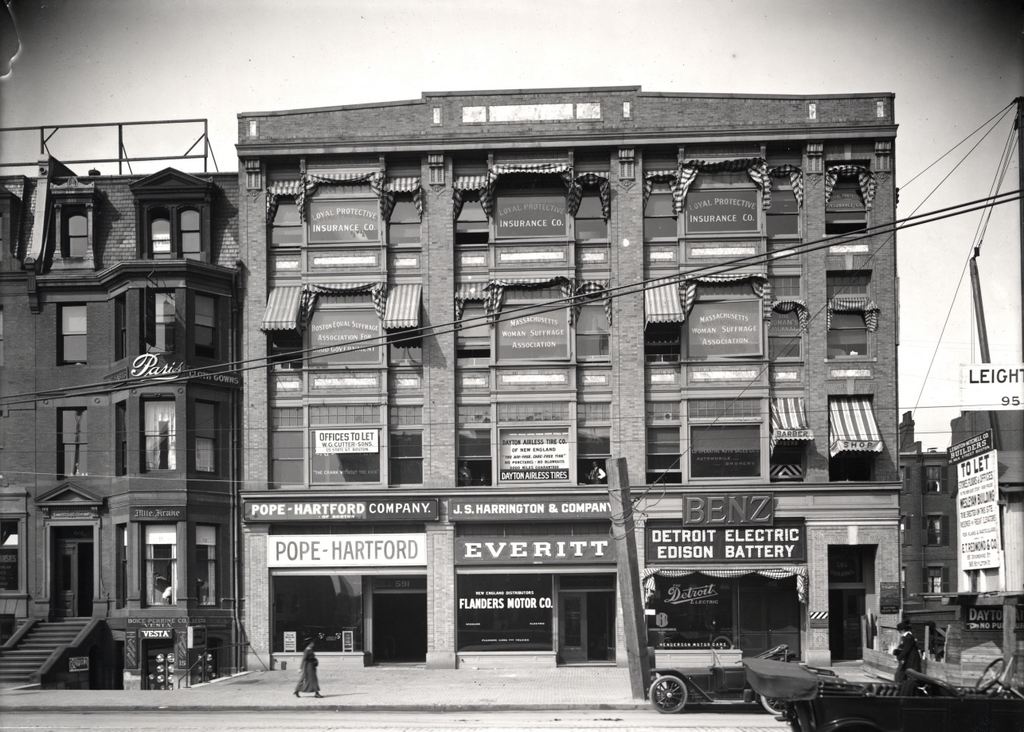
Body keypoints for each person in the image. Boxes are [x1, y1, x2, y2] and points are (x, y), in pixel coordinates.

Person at [893, 620, 922, 685]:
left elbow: (906, 650)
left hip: (912, 659)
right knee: (904, 673)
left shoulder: (909, 637)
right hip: (908, 658)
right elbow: (902, 647)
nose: (899, 632)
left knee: (913, 674)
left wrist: (898, 658)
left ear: (903, 630)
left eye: (899, 631)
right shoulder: (906, 637)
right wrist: (896, 652)